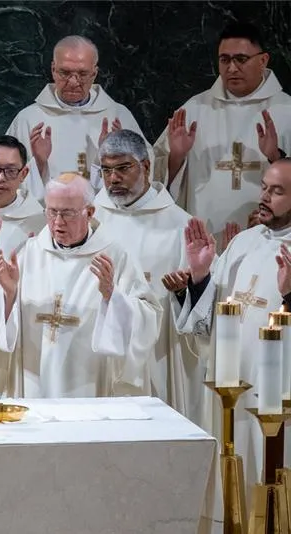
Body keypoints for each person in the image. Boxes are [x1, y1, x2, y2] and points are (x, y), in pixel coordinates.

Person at [164, 158, 291, 514]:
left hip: (278, 395)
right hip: (233, 388)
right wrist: (202, 276)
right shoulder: (244, 243)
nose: (264, 196)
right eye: (264, 186)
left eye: (277, 191)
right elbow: (213, 322)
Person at [0, 172, 160, 397]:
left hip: (89, 384)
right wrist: (9, 295)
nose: (57, 222)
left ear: (90, 212)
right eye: (52, 211)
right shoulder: (28, 253)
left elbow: (148, 316)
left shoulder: (115, 256)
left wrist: (112, 297)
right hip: (34, 381)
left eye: (67, 213)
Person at [93, 129, 204, 425]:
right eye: (106, 170)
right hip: (102, 355)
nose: (113, 178)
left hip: (158, 352)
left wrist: (186, 291)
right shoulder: (91, 221)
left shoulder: (181, 226)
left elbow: (206, 302)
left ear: (145, 166)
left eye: (123, 168)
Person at [153, 21, 291, 244]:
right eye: (224, 60)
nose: (232, 68)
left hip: (270, 242)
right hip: (201, 241)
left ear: (263, 60)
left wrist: (276, 157)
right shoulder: (194, 109)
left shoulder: (286, 111)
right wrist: (176, 156)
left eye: (241, 59)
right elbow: (155, 181)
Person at [6, 35, 149, 202]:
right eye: (65, 73)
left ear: (94, 73)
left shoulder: (118, 116)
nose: (73, 82)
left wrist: (115, 155)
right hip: (49, 220)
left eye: (82, 74)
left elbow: (146, 171)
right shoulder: (28, 119)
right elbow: (7, 177)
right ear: (53, 69)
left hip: (105, 218)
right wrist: (39, 162)